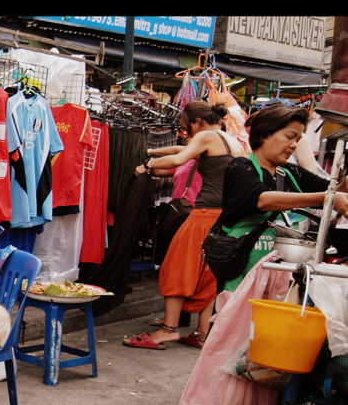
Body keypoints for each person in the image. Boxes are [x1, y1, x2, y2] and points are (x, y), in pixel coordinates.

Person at [123, 102, 245, 350]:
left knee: (175, 267)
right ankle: (201, 334)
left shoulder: (208, 136)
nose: (186, 132)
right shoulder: (230, 140)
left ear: (198, 121)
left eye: (185, 126)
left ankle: (168, 329)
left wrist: (147, 164)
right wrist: (148, 150)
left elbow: (179, 158)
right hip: (224, 218)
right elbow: (183, 148)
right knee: (208, 275)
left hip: (204, 215)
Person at [213, 103, 348, 293]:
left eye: (298, 140)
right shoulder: (241, 168)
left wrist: (344, 186)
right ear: (264, 135)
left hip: (280, 273)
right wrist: (328, 198)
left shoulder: (290, 172)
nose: (294, 145)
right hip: (241, 269)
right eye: (289, 137)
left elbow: (334, 190)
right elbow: (262, 199)